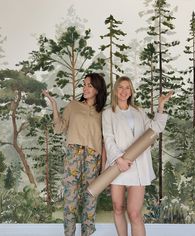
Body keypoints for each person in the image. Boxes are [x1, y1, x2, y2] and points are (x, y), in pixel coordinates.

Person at [102, 76, 172, 236]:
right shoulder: (108, 113)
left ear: (131, 91)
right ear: (115, 90)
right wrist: (119, 159)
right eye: (120, 87)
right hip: (117, 165)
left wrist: (161, 106)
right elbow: (108, 138)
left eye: (127, 88)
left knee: (134, 213)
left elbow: (155, 129)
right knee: (118, 208)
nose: (124, 91)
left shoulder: (139, 111)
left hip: (138, 166)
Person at [42, 73, 107, 236]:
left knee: (90, 202)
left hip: (93, 158)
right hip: (73, 156)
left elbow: (105, 141)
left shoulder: (104, 113)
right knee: (70, 202)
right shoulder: (73, 106)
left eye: (89, 85)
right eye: (84, 85)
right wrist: (55, 106)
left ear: (98, 90)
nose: (85, 88)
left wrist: (104, 166)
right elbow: (59, 128)